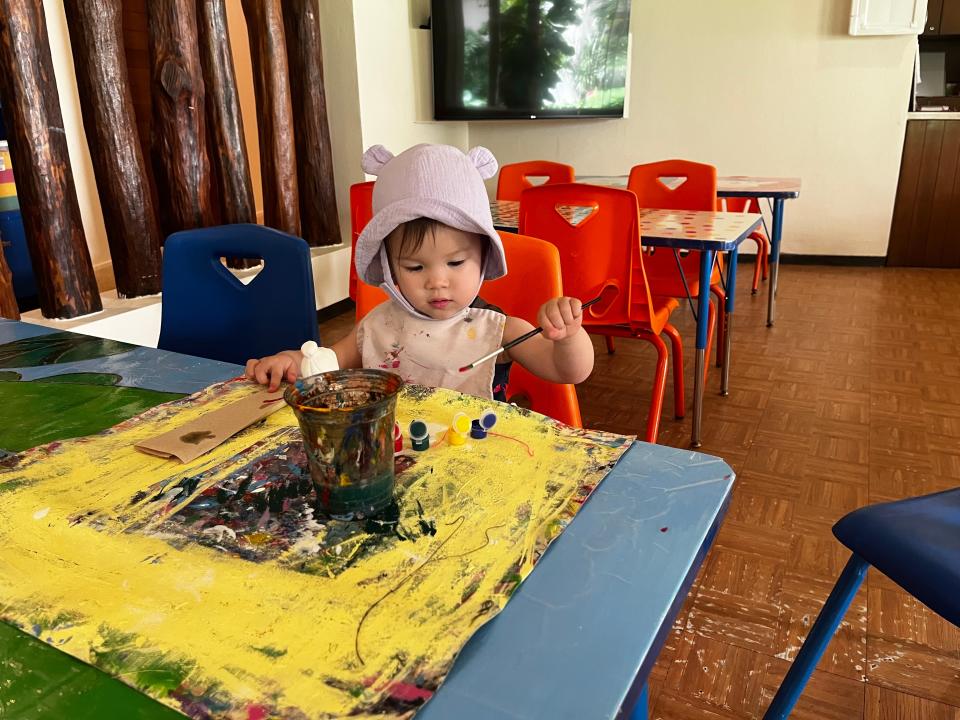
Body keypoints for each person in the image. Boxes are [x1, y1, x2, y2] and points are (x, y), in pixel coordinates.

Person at [245, 143, 593, 400]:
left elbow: (570, 371)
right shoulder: (378, 325)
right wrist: (293, 360)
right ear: (390, 266)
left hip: (477, 465)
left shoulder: (500, 330)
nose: (437, 282)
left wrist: (569, 337)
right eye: (414, 266)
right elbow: (327, 362)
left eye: (456, 263)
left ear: (484, 257)